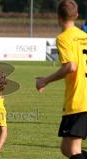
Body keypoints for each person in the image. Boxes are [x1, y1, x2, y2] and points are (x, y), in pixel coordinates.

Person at [36, 0, 87, 158]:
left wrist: (45, 80)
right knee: (66, 148)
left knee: (73, 150)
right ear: (77, 15)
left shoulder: (64, 38)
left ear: (58, 16)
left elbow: (70, 66)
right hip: (80, 98)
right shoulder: (84, 36)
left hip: (79, 100)